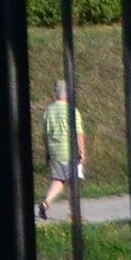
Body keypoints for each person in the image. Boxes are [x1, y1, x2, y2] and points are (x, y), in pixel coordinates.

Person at [44, 74, 91, 223]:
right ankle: (74, 215)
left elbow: (46, 134)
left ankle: (46, 202)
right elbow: (78, 134)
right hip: (70, 152)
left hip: (55, 151)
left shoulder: (48, 111)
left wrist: (47, 153)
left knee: (58, 180)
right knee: (73, 184)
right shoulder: (72, 111)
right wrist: (82, 153)